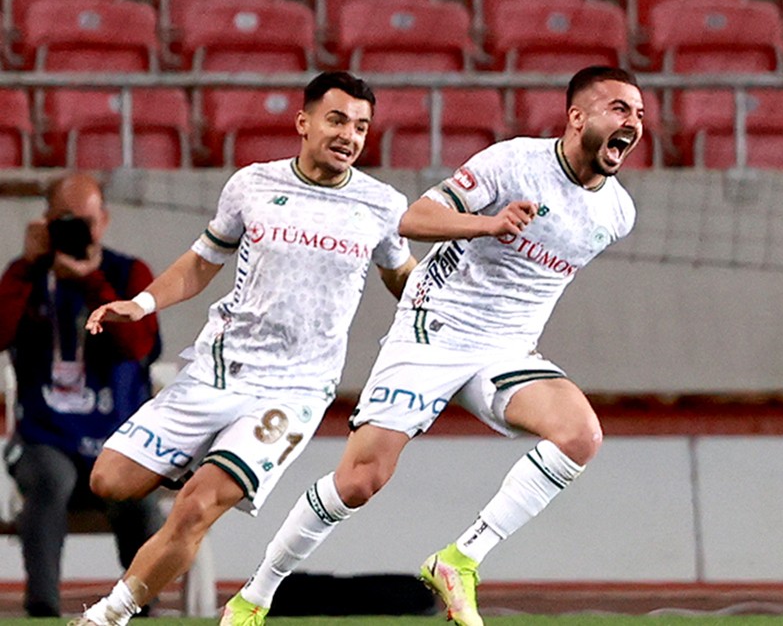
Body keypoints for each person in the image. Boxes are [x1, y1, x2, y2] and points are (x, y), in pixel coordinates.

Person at [218, 65, 644, 626]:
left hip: (506, 348)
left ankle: (459, 558)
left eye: (639, 114)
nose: (633, 122)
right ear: (577, 117)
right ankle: (255, 596)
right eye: (619, 109)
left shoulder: (617, 213)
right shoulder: (513, 162)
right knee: (361, 480)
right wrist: (488, 225)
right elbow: (414, 218)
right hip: (433, 327)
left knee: (580, 436)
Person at [69, 71, 416, 626]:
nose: (349, 135)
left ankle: (109, 615)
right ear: (303, 123)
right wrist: (142, 303)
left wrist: (449, 325)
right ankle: (205, 456)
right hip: (218, 370)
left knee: (195, 509)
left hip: (293, 391)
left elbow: (405, 280)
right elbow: (202, 261)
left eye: (361, 126)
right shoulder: (252, 185)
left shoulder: (381, 205)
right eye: (337, 120)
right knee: (109, 480)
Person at [0, 174, 163, 618]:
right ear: (46, 221)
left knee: (139, 498)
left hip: (118, 438)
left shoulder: (129, 274)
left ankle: (141, 608)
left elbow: (139, 346)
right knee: (50, 480)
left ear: (103, 221)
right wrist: (26, 267)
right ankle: (43, 610)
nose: (76, 231)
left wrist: (92, 282)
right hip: (44, 436)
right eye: (64, 220)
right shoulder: (26, 275)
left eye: (85, 222)